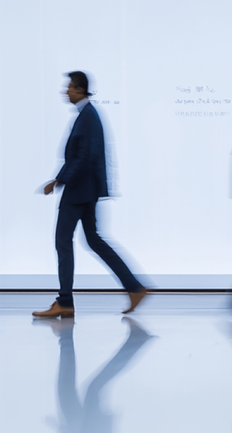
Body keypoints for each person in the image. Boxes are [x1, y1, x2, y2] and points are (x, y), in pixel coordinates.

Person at [33, 71, 147, 318]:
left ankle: (65, 301)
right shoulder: (88, 114)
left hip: (78, 191)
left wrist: (59, 180)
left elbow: (83, 156)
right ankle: (134, 287)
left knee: (63, 242)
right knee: (93, 239)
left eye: (70, 87)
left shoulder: (87, 116)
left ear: (81, 89)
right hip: (86, 190)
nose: (66, 91)